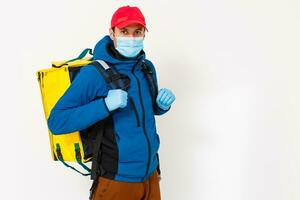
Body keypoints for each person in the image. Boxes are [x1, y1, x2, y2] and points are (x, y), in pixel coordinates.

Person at [47, 5, 176, 200]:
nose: (131, 38)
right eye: (124, 31)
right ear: (112, 33)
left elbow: (144, 113)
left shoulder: (146, 68)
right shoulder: (95, 73)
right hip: (117, 180)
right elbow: (57, 121)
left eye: (137, 32)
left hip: (151, 175)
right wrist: (104, 105)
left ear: (144, 34)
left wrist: (160, 106)